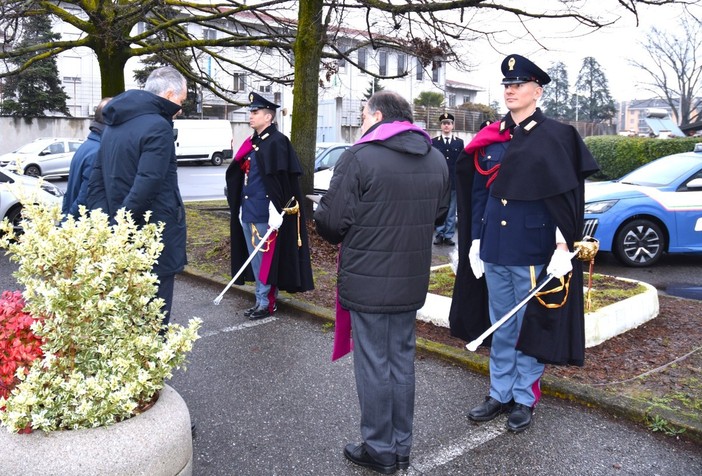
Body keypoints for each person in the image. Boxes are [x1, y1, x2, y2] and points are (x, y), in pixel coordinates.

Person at [450, 54, 599, 433]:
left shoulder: (556, 136)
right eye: (507, 84)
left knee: (528, 323)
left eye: (519, 84)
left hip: (533, 248)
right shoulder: (493, 135)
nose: (511, 89)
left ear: (537, 90)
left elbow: (566, 198)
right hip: (495, 247)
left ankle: (524, 396)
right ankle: (499, 393)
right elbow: (481, 191)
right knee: (501, 324)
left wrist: (563, 247)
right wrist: (474, 241)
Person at [315, 90, 449, 474]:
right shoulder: (435, 158)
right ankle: (400, 446)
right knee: (401, 362)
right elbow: (438, 215)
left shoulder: (360, 157)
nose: (360, 121)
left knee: (374, 364)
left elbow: (330, 223)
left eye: (362, 114)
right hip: (409, 280)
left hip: (368, 280)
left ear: (377, 116)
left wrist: (327, 210)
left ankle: (379, 449)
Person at [87, 66, 188, 327]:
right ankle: (152, 363)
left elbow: (97, 178)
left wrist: (108, 222)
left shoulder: (113, 124)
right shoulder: (158, 125)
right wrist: (124, 222)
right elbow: (148, 183)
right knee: (154, 313)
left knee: (126, 309)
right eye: (181, 100)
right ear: (168, 93)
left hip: (118, 230)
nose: (180, 108)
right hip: (152, 233)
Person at [225, 92, 314, 320]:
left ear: (269, 117)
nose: (251, 116)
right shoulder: (253, 142)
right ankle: (260, 300)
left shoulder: (277, 142)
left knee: (265, 261)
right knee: (256, 261)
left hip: (265, 213)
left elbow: (282, 181)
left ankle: (266, 303)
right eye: (251, 112)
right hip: (248, 210)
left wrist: (278, 208)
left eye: (255, 112)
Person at [62, 97, 112, 218]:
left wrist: (64, 216)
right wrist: (66, 224)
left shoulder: (87, 146)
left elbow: (68, 194)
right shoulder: (98, 151)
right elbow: (84, 198)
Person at [432, 112, 464, 246]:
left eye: (449, 123)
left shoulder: (459, 142)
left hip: (454, 181)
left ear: (452, 125)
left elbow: (462, 162)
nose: (446, 126)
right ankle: (439, 234)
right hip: (440, 181)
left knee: (451, 209)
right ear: (441, 126)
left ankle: (449, 235)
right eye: (444, 123)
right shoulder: (433, 142)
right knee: (439, 208)